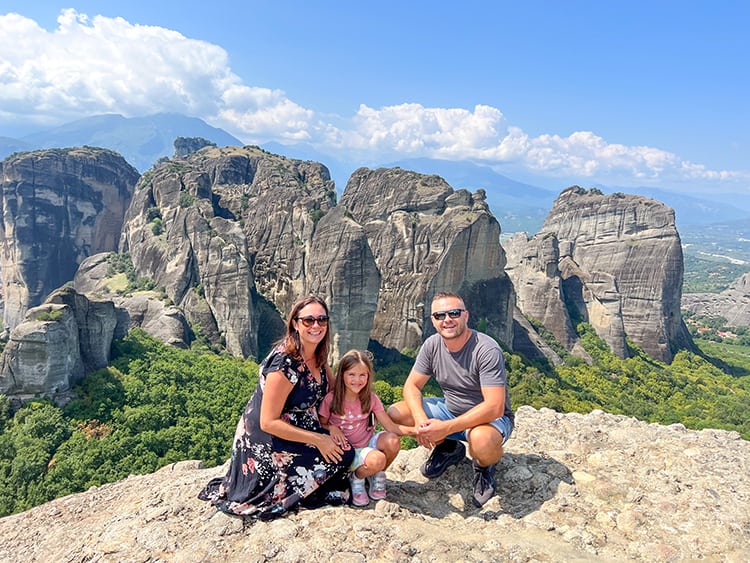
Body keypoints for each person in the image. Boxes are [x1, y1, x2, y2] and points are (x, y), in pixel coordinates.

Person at [198, 295, 355, 520]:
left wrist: (331, 426)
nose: (316, 325)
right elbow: (268, 421)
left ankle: (306, 485)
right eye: (308, 320)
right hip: (267, 439)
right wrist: (319, 439)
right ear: (295, 323)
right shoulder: (285, 364)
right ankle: (288, 490)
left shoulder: (317, 353)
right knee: (340, 456)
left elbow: (330, 391)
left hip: (300, 427)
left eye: (322, 319)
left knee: (343, 450)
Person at [387, 291, 514, 508]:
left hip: (487, 419)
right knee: (396, 413)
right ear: (433, 320)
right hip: (450, 410)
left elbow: (494, 407)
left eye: (454, 313)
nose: (447, 320)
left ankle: (483, 467)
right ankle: (449, 449)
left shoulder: (486, 349)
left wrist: (445, 427)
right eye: (440, 315)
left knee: (482, 441)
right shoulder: (432, 344)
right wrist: (420, 421)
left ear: (466, 315)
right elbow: (411, 386)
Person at [318, 350, 411, 507]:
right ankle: (357, 477)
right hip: (348, 452)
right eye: (352, 374)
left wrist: (417, 431)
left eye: (362, 375)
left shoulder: (371, 399)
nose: (357, 380)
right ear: (342, 375)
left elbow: (390, 426)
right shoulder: (332, 399)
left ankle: (374, 473)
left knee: (392, 441)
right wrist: (332, 427)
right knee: (378, 459)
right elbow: (320, 424)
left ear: (368, 376)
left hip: (367, 445)